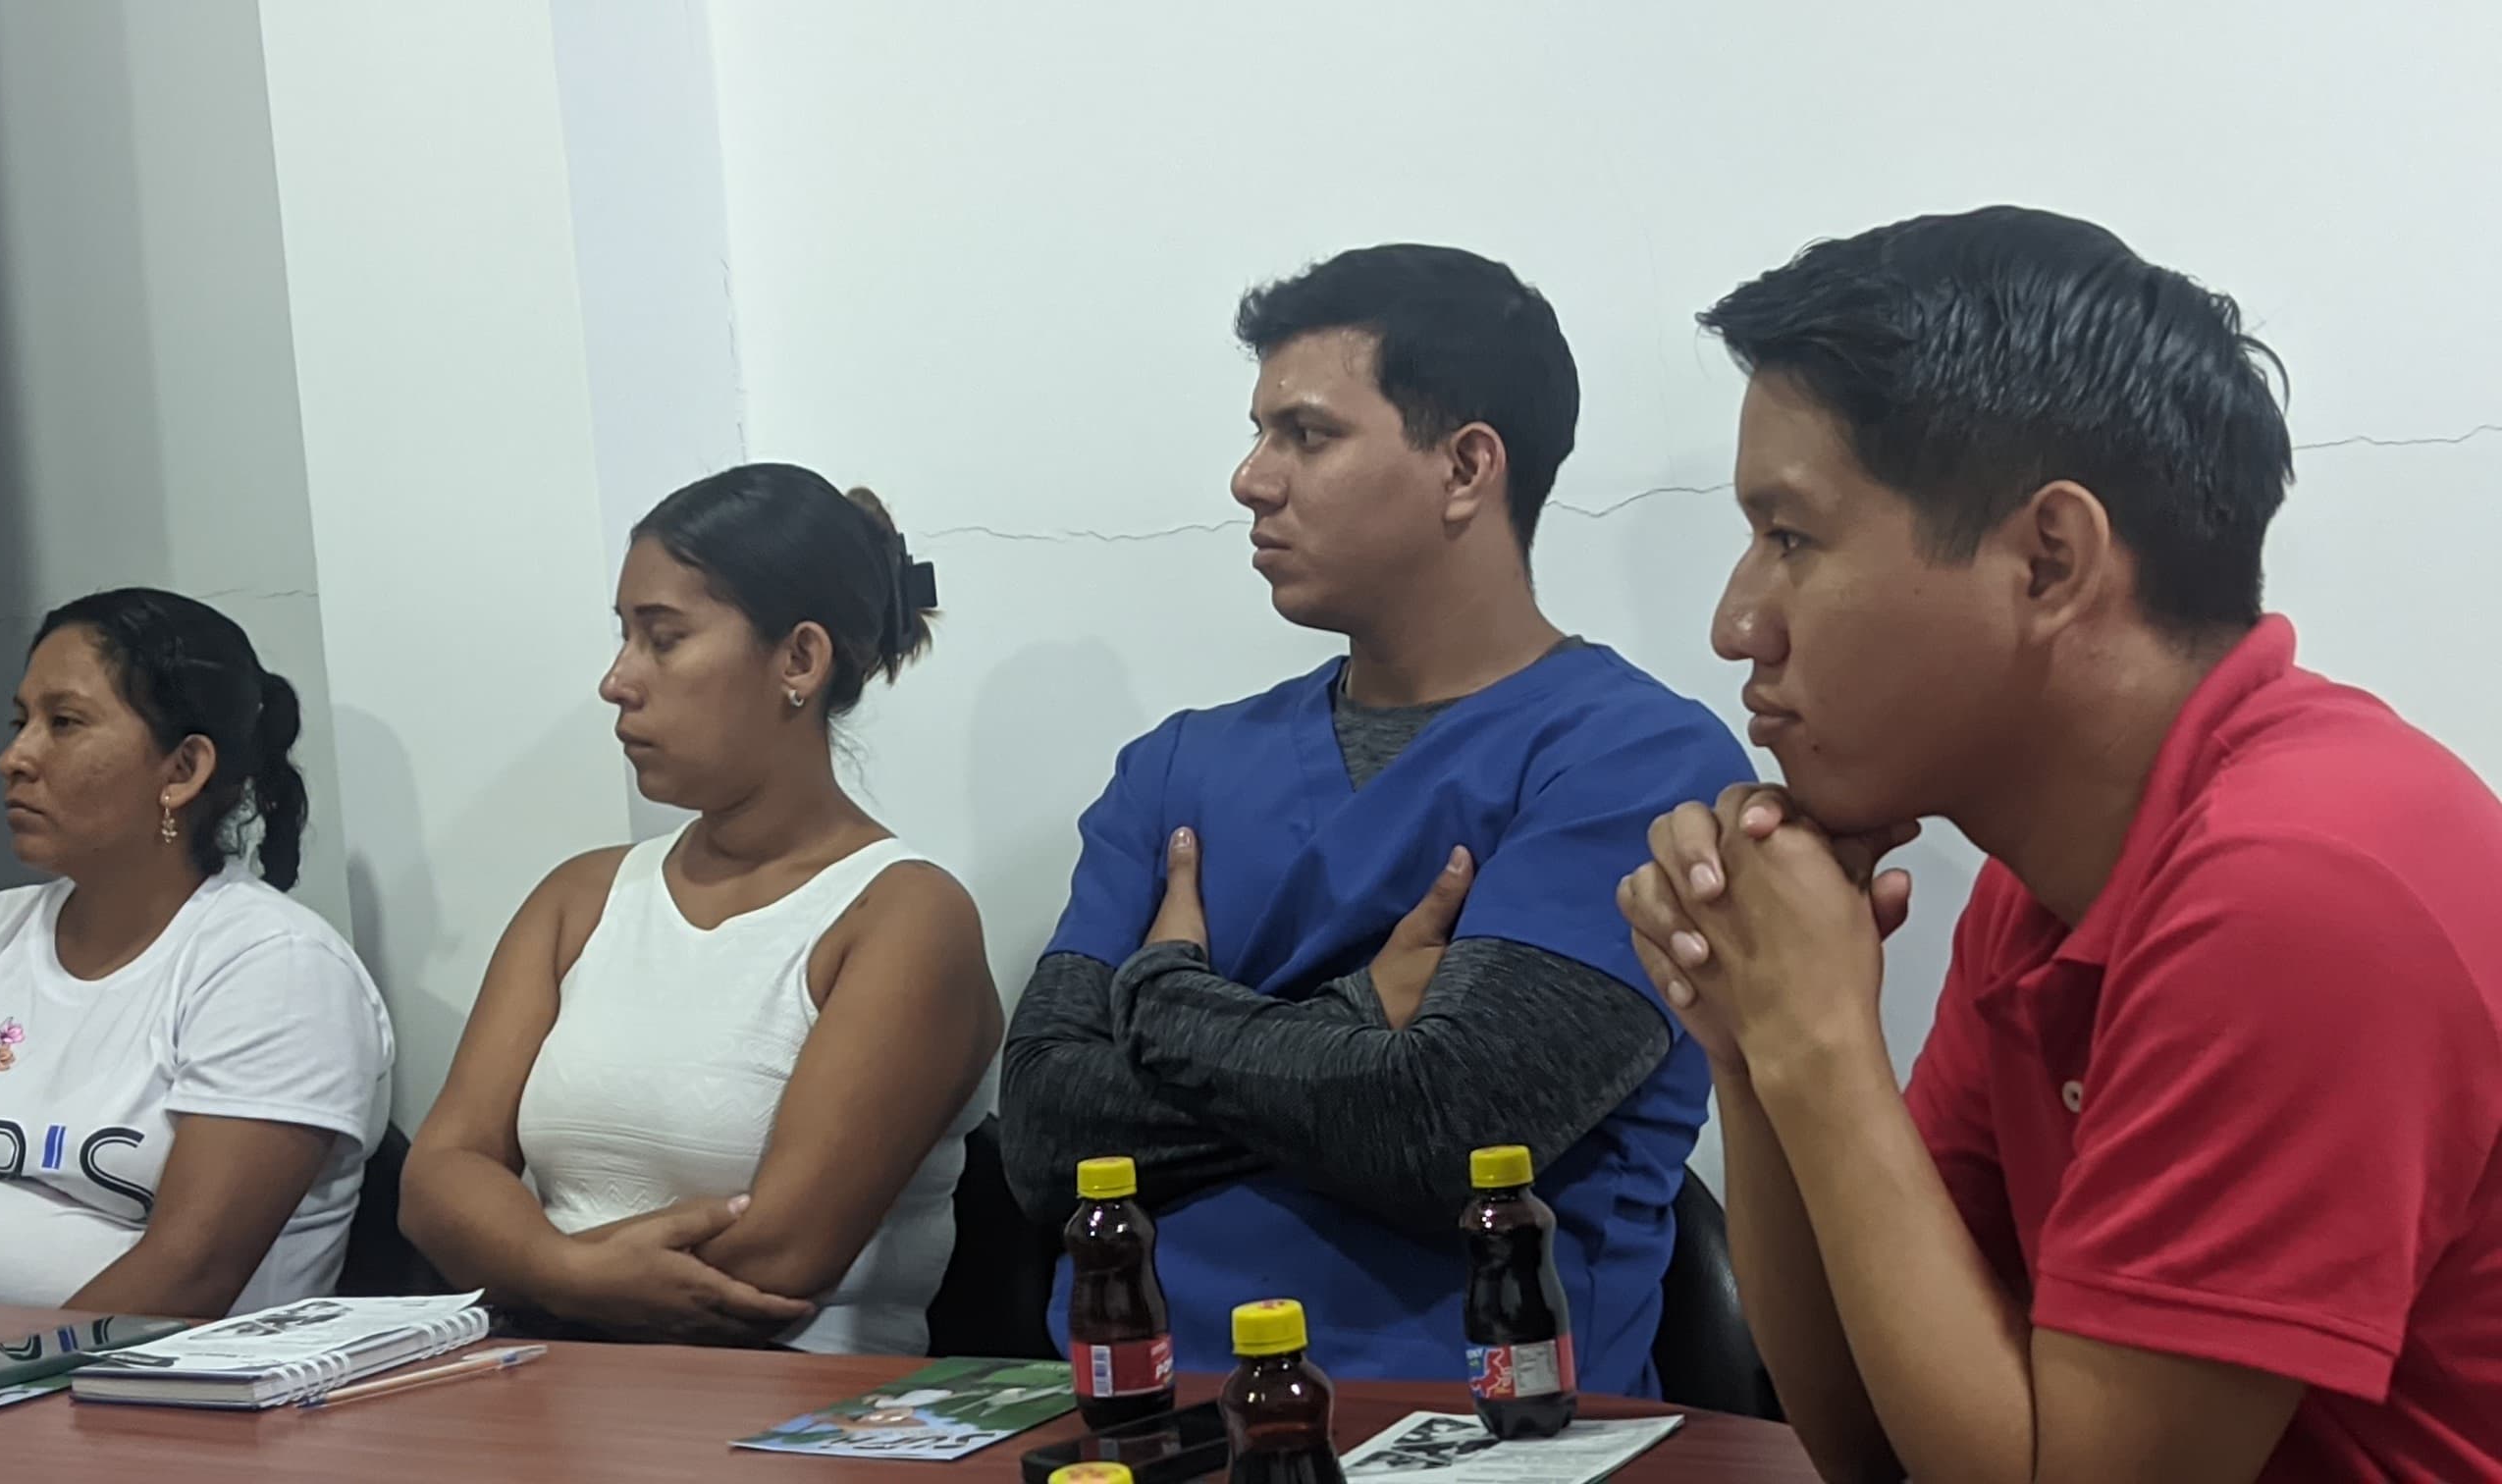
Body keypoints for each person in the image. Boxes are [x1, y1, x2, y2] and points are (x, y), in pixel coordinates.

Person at [1619, 207, 2502, 1481]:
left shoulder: (2298, 891)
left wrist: (1821, 1044)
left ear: (2048, 561)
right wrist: (1754, 1047)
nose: (1736, 622)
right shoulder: (2049, 890)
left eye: (1790, 537)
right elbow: (1869, 1440)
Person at [1001, 244, 1752, 1393]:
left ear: (1465, 467)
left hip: (1487, 1432)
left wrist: (1161, 999)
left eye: (1306, 435)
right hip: (1135, 1416)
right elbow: (1046, 1135)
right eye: (1259, 434)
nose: (1251, 479)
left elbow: (1449, 1130)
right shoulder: (1176, 767)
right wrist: (1360, 1022)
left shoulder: (1636, 764)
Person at [399, 463, 1002, 1353]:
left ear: (799, 660)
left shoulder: (904, 916)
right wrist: (561, 1271)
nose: (617, 680)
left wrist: (524, 1264)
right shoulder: (579, 899)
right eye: (623, 637)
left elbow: (777, 1259)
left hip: (788, 1409)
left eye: (664, 639)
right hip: (553, 1393)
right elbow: (437, 1179)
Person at [0, 588, 393, 1317]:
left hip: (146, 1379)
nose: (14, 757)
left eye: (64, 723)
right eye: (21, 722)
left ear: (182, 770)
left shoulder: (276, 965)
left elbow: (190, 1275)